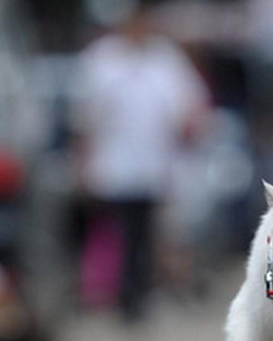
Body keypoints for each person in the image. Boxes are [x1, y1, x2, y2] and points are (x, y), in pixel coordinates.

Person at [72, 5, 209, 324]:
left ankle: (138, 296)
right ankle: (123, 296)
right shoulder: (99, 61)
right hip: (114, 164)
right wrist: (82, 161)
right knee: (121, 231)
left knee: (144, 233)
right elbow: (84, 118)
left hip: (154, 164)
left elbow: (189, 105)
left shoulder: (165, 59)